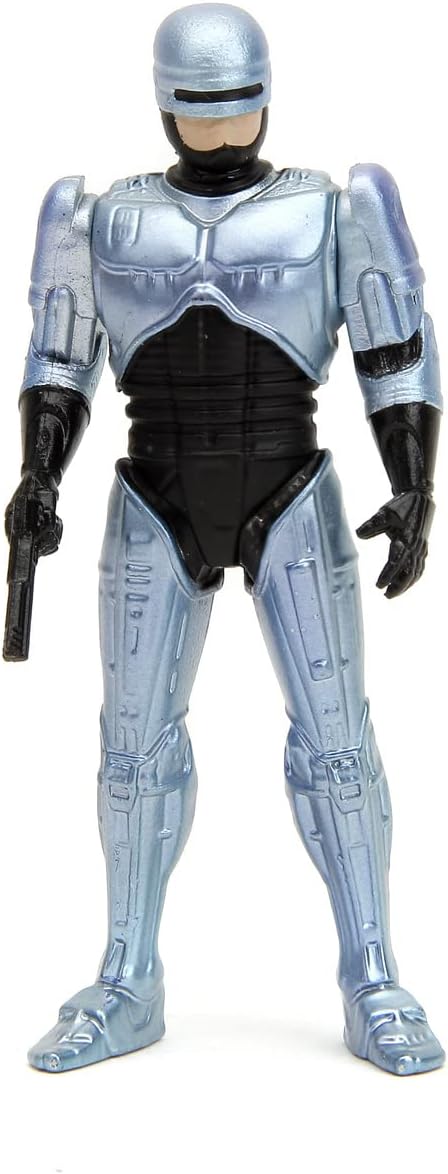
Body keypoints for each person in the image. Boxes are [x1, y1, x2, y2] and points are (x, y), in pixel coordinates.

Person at [5, 3, 444, 1074]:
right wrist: (37, 475)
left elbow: (394, 347)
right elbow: (59, 357)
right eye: (197, 110)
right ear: (163, 106)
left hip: (290, 484)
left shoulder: (333, 207)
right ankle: (127, 976)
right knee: (130, 750)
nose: (217, 129)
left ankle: (373, 974)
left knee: (337, 744)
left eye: (233, 106)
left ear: (265, 98)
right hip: (151, 488)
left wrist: (413, 483)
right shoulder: (99, 216)